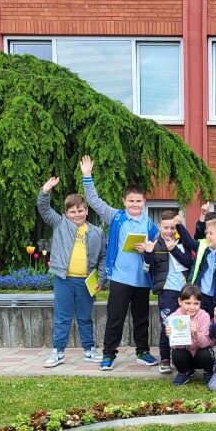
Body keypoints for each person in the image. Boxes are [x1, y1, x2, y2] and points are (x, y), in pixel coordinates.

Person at [81, 155, 159, 371]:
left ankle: (142, 352)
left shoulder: (151, 226)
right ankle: (108, 355)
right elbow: (95, 202)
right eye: (131, 201)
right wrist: (87, 176)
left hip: (142, 279)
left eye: (139, 201)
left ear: (144, 202)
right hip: (119, 278)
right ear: (124, 201)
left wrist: (148, 250)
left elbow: (158, 251)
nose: (135, 205)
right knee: (115, 318)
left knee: (142, 318)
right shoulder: (115, 217)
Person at [37, 176, 107, 367]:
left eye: (80, 210)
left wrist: (101, 278)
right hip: (64, 280)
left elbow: (103, 257)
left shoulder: (96, 232)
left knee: (85, 317)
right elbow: (44, 209)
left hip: (86, 282)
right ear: (66, 213)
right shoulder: (60, 224)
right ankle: (58, 352)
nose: (77, 214)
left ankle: (89, 350)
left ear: (87, 210)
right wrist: (45, 191)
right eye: (73, 211)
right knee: (62, 316)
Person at [142, 210, 193, 374]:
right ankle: (165, 359)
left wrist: (174, 250)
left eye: (173, 227)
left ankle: (185, 359)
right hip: (167, 292)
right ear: (159, 226)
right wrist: (148, 254)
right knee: (167, 324)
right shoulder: (154, 244)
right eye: (166, 227)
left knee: (185, 324)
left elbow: (189, 263)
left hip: (184, 291)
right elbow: (147, 269)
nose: (169, 231)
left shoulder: (182, 242)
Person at [166, 285, 215, 386]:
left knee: (206, 354)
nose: (192, 307)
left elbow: (206, 343)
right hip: (186, 355)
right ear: (180, 302)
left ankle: (208, 372)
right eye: (188, 303)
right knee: (177, 353)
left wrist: (197, 333)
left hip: (200, 355)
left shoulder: (204, 316)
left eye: (196, 303)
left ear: (200, 303)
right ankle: (184, 372)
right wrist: (171, 336)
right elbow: (175, 346)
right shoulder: (174, 317)